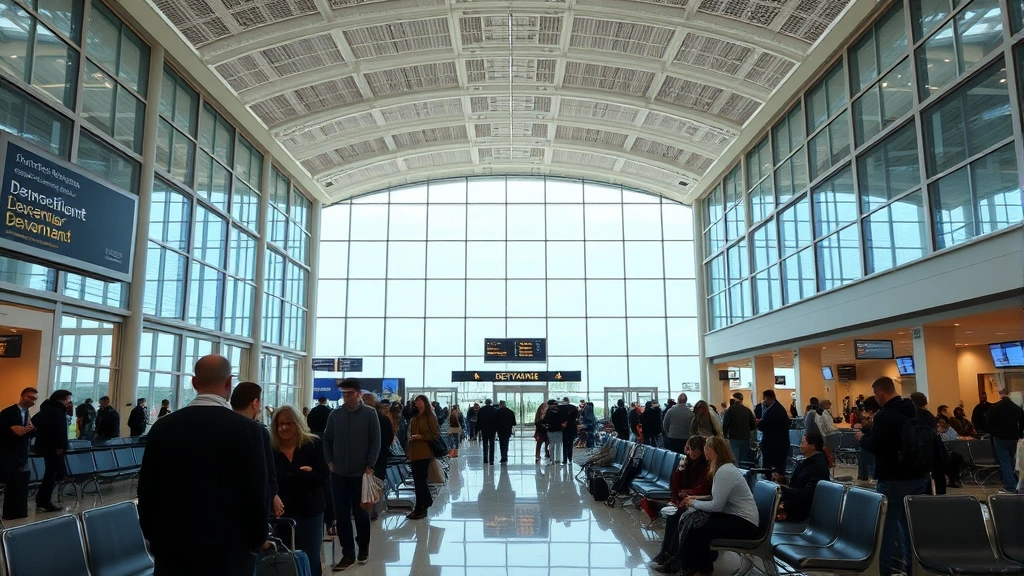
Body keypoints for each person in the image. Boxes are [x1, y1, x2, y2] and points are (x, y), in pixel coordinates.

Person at [138, 355, 271, 576]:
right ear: (229, 383)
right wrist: (256, 540)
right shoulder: (248, 431)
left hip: (173, 549)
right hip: (230, 550)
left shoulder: (163, 427)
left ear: (194, 383)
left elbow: (147, 490)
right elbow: (257, 493)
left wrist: (155, 538)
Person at [855, 376, 931, 576]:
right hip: (919, 476)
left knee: (886, 530)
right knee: (909, 527)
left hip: (893, 478)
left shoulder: (885, 415)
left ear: (881, 391)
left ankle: (884, 571)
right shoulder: (914, 410)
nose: (875, 397)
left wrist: (863, 439)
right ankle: (911, 569)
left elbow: (878, 447)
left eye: (874, 393)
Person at [662, 436, 759, 575]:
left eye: (707, 448)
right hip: (736, 518)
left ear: (715, 450)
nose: (704, 451)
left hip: (745, 524)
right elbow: (715, 497)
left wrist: (693, 502)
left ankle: (699, 569)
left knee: (697, 528)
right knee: (693, 523)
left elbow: (716, 506)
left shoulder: (724, 472)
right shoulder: (722, 469)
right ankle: (691, 567)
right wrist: (694, 498)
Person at [323, 378, 381, 569]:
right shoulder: (335, 415)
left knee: (361, 513)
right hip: (339, 473)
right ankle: (348, 553)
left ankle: (363, 546)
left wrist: (370, 465)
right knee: (342, 516)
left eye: (349, 393)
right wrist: (329, 460)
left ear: (358, 394)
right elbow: (327, 439)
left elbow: (375, 441)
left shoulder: (370, 414)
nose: (345, 397)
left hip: (361, 473)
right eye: (343, 394)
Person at [270, 405, 334, 576]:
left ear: (297, 423)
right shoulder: (271, 448)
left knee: (310, 557)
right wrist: (300, 473)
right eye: (280, 424)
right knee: (284, 557)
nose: (283, 428)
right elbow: (269, 480)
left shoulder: (313, 444)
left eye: (288, 423)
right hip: (282, 512)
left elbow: (323, 478)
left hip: (310, 510)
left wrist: (305, 474)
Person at [649, 436, 712, 571]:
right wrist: (680, 470)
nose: (691, 453)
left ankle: (672, 559)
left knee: (677, 518)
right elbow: (674, 483)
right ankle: (666, 554)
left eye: (695, 449)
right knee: (674, 517)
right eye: (689, 449)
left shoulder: (706, 466)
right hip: (690, 500)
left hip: (698, 502)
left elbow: (705, 488)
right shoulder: (688, 464)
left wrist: (686, 494)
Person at [231, 382, 282, 517]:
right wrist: (273, 494)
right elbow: (267, 470)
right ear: (255, 403)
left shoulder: (220, 427)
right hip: (251, 503)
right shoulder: (258, 432)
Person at [32, 390, 72, 513]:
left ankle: (42, 498)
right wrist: (60, 446)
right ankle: (44, 500)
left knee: (55, 473)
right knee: (52, 474)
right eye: (68, 399)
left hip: (48, 446)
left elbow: (35, 422)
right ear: (63, 398)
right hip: (54, 448)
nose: (69, 401)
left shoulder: (47, 409)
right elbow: (59, 429)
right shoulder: (57, 410)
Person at [0, 388, 37, 520]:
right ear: (23, 396)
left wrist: (30, 430)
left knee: (21, 483)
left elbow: (25, 431)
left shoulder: (27, 413)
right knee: (12, 484)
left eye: (35, 399)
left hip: (22, 453)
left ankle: (20, 512)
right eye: (30, 398)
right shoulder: (8, 412)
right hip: (9, 453)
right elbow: (13, 431)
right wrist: (22, 430)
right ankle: (10, 513)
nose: (33, 401)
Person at [776, 433, 830, 522]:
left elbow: (809, 494)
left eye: (803, 442)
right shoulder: (807, 463)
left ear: (813, 445)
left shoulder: (818, 466)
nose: (800, 445)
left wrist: (783, 490)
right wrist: (783, 481)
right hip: (796, 504)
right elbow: (796, 485)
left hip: (804, 512)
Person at [406, 395, 440, 520]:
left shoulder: (430, 417)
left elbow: (435, 434)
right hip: (414, 452)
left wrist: (420, 437)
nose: (416, 403)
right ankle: (423, 505)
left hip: (424, 453)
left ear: (424, 402)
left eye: (418, 400)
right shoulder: (415, 417)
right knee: (418, 481)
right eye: (415, 401)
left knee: (420, 480)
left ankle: (421, 506)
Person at [985, 387, 1024, 493]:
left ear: (1000, 394)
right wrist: (1019, 435)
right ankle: (1017, 482)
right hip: (1013, 438)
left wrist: (993, 433)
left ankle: (1011, 486)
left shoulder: (995, 407)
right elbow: (1022, 424)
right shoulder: (1016, 408)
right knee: (1013, 461)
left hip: (1000, 438)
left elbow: (989, 423)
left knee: (1004, 461)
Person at [756, 390, 791, 475]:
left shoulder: (774, 410)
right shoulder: (777, 408)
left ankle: (771, 485)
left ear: (766, 398)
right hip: (779, 443)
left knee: (774, 468)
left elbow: (768, 425)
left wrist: (759, 423)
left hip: (774, 444)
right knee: (778, 467)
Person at [363, 393, 395, 481]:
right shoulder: (384, 419)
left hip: (363, 457)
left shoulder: (361, 420)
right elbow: (390, 438)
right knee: (377, 483)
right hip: (381, 455)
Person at [723, 392, 756, 464]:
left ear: (734, 400)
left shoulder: (730, 410)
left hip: (734, 438)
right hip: (746, 438)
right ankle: (744, 474)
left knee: (735, 459)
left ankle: (736, 474)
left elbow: (725, 424)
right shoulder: (747, 410)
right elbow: (753, 425)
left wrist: (725, 435)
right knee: (744, 460)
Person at [476, 399, 498, 465]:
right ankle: (491, 460)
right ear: (491, 402)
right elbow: (497, 420)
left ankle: (485, 459)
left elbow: (478, 420)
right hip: (492, 429)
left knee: (485, 443)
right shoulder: (494, 410)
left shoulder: (481, 410)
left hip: (484, 428)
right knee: (492, 443)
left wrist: (478, 429)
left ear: (485, 403)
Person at [543, 400, 564, 464]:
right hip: (558, 430)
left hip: (550, 430)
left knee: (551, 444)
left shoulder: (548, 411)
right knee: (558, 445)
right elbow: (562, 419)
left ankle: (552, 459)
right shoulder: (560, 411)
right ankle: (557, 459)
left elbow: (545, 420)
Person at [560, 397, 580, 464]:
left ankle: (565, 459)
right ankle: (570, 458)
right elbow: (577, 417)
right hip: (572, 428)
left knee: (565, 444)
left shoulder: (561, 408)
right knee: (570, 444)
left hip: (565, 428)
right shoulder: (573, 408)